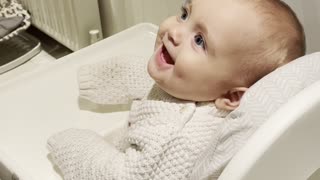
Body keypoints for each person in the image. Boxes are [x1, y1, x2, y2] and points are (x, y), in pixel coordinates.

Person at [47, 0, 305, 179]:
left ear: (231, 96)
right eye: (185, 14)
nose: (174, 32)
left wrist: (71, 142)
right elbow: (148, 79)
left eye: (200, 40)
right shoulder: (196, 87)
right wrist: (92, 79)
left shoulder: (173, 137)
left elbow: (118, 177)